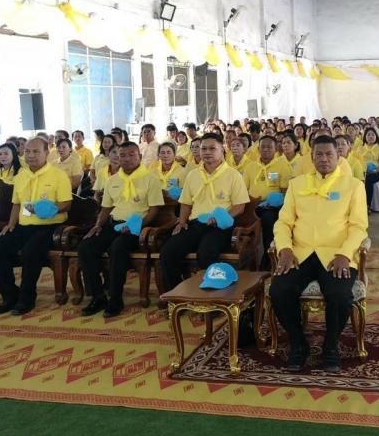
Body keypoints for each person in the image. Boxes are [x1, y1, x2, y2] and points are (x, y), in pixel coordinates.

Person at [271, 135, 368, 373]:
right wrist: (285, 248)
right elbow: (283, 222)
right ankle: (298, 343)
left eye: (329, 154)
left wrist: (345, 254)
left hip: (336, 254)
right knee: (279, 290)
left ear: (338, 156)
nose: (324, 159)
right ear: (312, 158)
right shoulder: (297, 184)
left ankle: (331, 346)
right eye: (319, 155)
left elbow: (358, 226)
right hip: (300, 253)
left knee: (339, 294)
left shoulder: (353, 185)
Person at [77, 142, 164, 317]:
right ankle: (98, 296)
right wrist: (97, 225)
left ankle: (115, 299)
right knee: (86, 246)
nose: (127, 159)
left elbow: (154, 210)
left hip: (136, 227)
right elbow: (106, 208)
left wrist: (137, 226)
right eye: (123, 155)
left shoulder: (151, 178)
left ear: (139, 156)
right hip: (113, 224)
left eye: (132, 155)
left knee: (117, 248)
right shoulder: (112, 180)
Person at [0, 137, 72, 315]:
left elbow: (66, 203)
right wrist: (11, 224)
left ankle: (27, 299)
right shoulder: (21, 176)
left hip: (49, 226)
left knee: (30, 251)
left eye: (36, 151)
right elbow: (17, 204)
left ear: (46, 153)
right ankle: (10, 296)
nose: (31, 155)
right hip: (24, 225)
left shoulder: (58, 175)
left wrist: (50, 208)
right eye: (27, 151)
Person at [159, 133, 249, 294]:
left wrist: (219, 218)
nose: (207, 152)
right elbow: (186, 202)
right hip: (195, 225)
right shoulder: (193, 175)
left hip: (220, 227)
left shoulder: (233, 175)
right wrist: (182, 222)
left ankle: (212, 298)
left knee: (206, 253)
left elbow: (240, 206)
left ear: (222, 150)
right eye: (203, 149)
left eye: (212, 148)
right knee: (168, 252)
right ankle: (177, 294)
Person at [244, 136, 290, 266]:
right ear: (258, 149)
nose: (266, 149)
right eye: (263, 147)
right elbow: (243, 189)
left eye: (269, 147)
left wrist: (275, 201)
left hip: (272, 207)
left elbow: (285, 191)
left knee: (269, 219)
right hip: (252, 205)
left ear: (276, 149)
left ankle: (267, 259)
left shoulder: (282, 165)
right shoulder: (250, 166)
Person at [359, 127, 379, 209]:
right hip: (361, 172)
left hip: (376, 172)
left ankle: (367, 205)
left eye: (373, 135)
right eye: (368, 135)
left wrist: (374, 171)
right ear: (365, 137)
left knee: (368, 179)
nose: (370, 137)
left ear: (376, 136)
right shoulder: (360, 148)